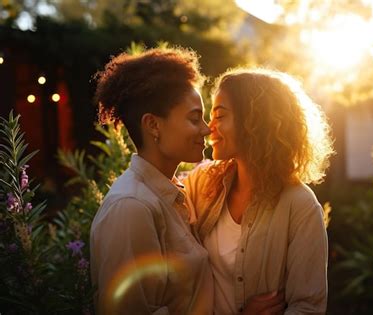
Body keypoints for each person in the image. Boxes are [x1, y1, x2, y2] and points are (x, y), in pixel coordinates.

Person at [184, 68, 333, 314]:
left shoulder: (300, 206)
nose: (208, 127)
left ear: (254, 122)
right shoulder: (202, 182)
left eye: (219, 116)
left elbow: (308, 307)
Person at [90, 47, 213, 315]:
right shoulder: (131, 207)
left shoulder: (170, 194)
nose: (206, 128)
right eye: (195, 118)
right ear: (153, 125)